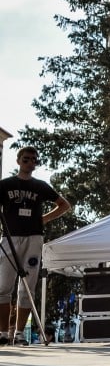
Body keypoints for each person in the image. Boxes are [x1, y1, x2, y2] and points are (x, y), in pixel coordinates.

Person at [0, 146, 72, 346]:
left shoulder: (40, 186)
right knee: (4, 287)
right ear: (18, 161)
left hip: (33, 237)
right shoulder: (5, 185)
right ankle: (3, 332)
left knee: (27, 289)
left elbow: (64, 204)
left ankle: (20, 333)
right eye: (26, 159)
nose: (30, 163)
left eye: (33, 160)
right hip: (10, 238)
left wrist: (44, 219)